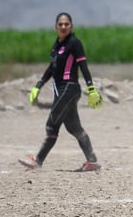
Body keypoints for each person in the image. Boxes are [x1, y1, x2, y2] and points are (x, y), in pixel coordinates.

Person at [18, 12, 104, 172]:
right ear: (56, 26)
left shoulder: (75, 43)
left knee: (52, 125)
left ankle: (38, 161)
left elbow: (83, 67)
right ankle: (92, 162)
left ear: (71, 26)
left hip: (69, 88)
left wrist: (91, 88)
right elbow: (52, 68)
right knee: (74, 128)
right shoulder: (56, 45)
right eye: (60, 24)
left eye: (66, 24)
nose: (63, 26)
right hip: (61, 91)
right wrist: (38, 85)